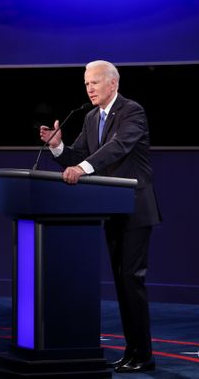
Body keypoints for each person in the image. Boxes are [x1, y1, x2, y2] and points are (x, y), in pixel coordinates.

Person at [39, 60, 161, 374]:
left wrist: (82, 169)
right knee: (122, 283)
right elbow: (79, 155)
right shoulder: (92, 117)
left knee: (132, 281)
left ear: (113, 84)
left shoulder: (133, 112)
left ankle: (144, 354)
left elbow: (117, 148)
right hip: (112, 209)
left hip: (135, 208)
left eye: (94, 82)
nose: (89, 88)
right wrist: (57, 147)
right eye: (86, 83)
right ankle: (131, 351)